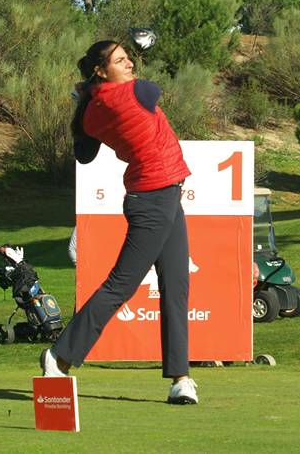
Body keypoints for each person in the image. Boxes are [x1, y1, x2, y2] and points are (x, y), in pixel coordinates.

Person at [40, 40, 198, 405]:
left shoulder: (92, 111)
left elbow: (84, 152)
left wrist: (86, 94)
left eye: (129, 58)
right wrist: (91, 91)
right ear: (100, 69)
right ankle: (59, 355)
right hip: (154, 199)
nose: (131, 65)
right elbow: (153, 89)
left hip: (163, 195)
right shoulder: (135, 93)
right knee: (120, 286)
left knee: (175, 286)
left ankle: (180, 379)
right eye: (121, 60)